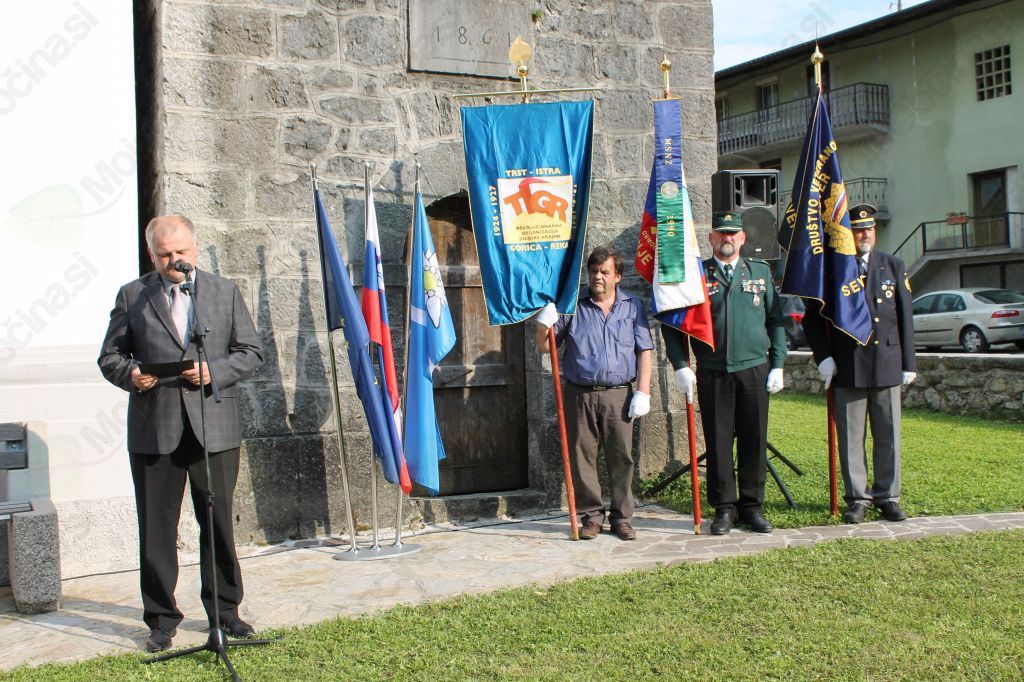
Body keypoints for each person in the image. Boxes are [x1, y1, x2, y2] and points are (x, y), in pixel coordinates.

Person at [98, 215, 263, 652]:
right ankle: (161, 620)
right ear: (151, 254)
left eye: (181, 252)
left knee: (218, 523)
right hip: (155, 428)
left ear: (195, 248)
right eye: (165, 253)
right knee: (156, 529)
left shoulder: (224, 291)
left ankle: (226, 613)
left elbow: (251, 352)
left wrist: (215, 371)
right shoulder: (132, 295)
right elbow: (110, 357)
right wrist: (132, 375)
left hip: (214, 427)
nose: (174, 260)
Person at [662, 211, 786, 535]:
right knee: (718, 442)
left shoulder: (760, 272)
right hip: (714, 370)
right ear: (711, 238)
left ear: (742, 238)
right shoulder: (696, 276)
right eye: (721, 233)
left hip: (754, 368)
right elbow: (672, 323)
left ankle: (752, 506)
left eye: (733, 233)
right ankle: (724, 509)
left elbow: (776, 320)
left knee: (754, 439)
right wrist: (680, 364)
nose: (727, 238)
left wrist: (778, 363)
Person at [802, 204, 917, 524]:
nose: (864, 234)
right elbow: (812, 319)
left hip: (886, 362)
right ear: (847, 233)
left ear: (874, 232)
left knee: (888, 436)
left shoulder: (892, 265)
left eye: (868, 229)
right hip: (848, 364)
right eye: (857, 229)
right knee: (851, 438)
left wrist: (909, 362)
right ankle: (857, 498)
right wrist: (824, 357)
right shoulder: (833, 269)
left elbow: (905, 317)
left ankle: (888, 497)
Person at [534, 245, 653, 541]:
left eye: (604, 272)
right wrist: (542, 323)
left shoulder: (632, 306)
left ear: (618, 276)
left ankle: (622, 518)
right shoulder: (572, 305)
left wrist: (643, 391)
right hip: (580, 395)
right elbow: (546, 346)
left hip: (619, 395)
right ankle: (591, 517)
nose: (598, 277)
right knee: (582, 457)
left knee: (621, 458)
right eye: (593, 271)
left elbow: (644, 350)